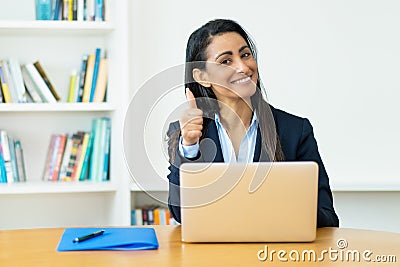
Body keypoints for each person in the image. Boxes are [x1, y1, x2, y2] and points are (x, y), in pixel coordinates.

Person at [167, 19, 339, 228]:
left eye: (245, 55)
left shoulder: (295, 130)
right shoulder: (184, 133)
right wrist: (190, 146)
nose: (243, 67)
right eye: (226, 61)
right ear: (202, 76)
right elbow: (181, 214)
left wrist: (284, 204)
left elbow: (327, 217)